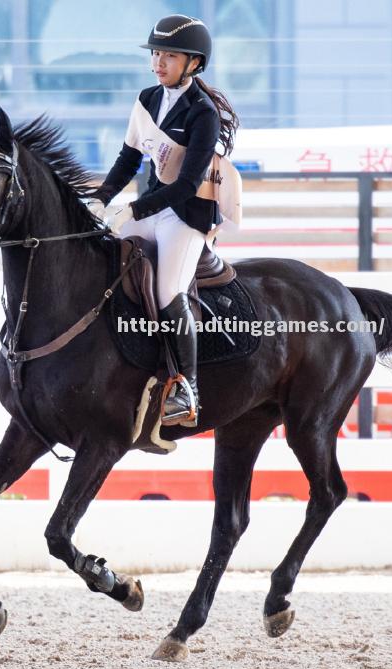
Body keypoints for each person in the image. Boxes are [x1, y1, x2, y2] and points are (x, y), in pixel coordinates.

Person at [88, 14, 240, 427]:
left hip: (185, 218)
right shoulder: (147, 98)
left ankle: (186, 385)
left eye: (169, 56)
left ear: (193, 63)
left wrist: (133, 210)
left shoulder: (202, 113)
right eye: (156, 54)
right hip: (151, 208)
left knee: (168, 288)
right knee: (97, 248)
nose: (158, 62)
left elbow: (188, 184)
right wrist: (101, 199)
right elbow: (128, 159)